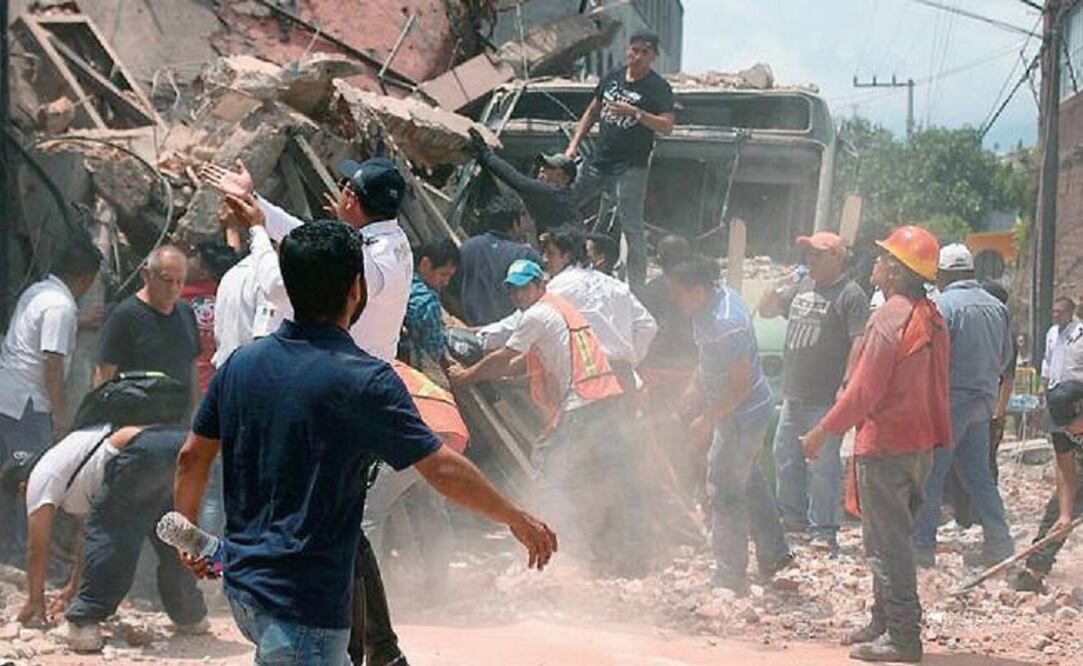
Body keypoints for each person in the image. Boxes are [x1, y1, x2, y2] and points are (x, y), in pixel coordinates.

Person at [173, 221, 556, 666]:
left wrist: (189, 536)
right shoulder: (365, 378)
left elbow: (191, 458)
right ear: (357, 287)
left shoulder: (240, 365)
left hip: (245, 590)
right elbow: (441, 469)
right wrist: (515, 516)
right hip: (304, 604)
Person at [801, 225, 950, 663]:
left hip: (887, 445)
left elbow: (864, 392)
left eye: (884, 259)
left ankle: (903, 636)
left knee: (887, 543)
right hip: (919, 444)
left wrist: (821, 432)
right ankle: (882, 620)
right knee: (890, 535)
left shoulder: (889, 317)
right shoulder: (930, 317)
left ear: (897, 272)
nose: (876, 263)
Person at [0, 373, 206, 651]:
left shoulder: (40, 478)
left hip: (142, 450)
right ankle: (192, 616)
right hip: (179, 441)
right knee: (172, 534)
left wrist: (34, 599)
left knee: (115, 533)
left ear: (22, 487)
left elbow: (38, 549)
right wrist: (72, 589)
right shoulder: (67, 463)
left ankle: (84, 623)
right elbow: (87, 539)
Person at [449, 259, 626, 572]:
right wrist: (492, 373)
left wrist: (467, 376)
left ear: (539, 284)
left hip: (582, 401)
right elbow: (527, 359)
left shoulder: (538, 314)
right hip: (604, 397)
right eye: (513, 290)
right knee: (597, 474)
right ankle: (609, 549)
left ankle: (563, 547)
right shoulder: (558, 307)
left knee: (550, 469)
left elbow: (506, 358)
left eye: (523, 288)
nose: (518, 295)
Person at [201, 156, 413, 364]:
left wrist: (257, 230)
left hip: (344, 376)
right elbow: (309, 239)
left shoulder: (369, 257)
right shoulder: (393, 239)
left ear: (351, 199)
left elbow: (277, 286)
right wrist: (252, 198)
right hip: (359, 368)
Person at [665, 259, 792, 594]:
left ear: (698, 290)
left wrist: (708, 419)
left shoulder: (726, 322)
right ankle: (775, 554)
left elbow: (741, 384)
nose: (675, 301)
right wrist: (695, 385)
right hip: (733, 409)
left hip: (742, 413)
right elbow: (709, 358)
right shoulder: (706, 307)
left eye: (679, 295)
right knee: (748, 479)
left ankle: (730, 574)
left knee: (724, 487)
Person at [758, 232, 869, 551]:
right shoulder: (801, 287)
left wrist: (847, 384)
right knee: (785, 457)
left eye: (817, 255)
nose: (810, 261)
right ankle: (793, 520)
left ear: (836, 257)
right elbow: (766, 310)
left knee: (823, 466)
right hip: (794, 394)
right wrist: (781, 281)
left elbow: (858, 340)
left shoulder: (850, 294)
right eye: (808, 255)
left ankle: (824, 530)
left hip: (825, 397)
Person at [0, 238, 102, 563]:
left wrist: (80, 322)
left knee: (12, 472)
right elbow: (52, 364)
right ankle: (21, 553)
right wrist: (60, 416)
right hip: (28, 402)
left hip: (10, 394)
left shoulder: (40, 291)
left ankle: (12, 548)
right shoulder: (60, 307)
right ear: (86, 277)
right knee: (32, 478)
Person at [911, 244, 1013, 567]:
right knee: (978, 476)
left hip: (948, 403)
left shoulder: (941, 306)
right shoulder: (997, 307)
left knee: (932, 475)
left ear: (942, 274)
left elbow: (930, 358)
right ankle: (1000, 543)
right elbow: (1006, 358)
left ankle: (922, 547)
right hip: (982, 404)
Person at [564, 29, 675, 290]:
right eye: (634, 50)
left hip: (631, 167)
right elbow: (592, 111)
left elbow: (667, 126)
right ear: (627, 50)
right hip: (599, 160)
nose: (637, 56)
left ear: (653, 57)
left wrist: (636, 113)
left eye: (644, 52)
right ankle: (567, 264)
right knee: (567, 205)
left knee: (631, 226)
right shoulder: (612, 78)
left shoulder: (658, 87)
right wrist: (573, 145)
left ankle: (637, 287)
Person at [358, 360, 469, 613]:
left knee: (370, 512)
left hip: (418, 435)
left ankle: (365, 596)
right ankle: (437, 589)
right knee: (433, 512)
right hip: (448, 436)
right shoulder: (405, 371)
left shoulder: (368, 371)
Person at [94, 245, 201, 407]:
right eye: (167, 280)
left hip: (179, 422)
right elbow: (104, 373)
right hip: (137, 419)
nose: (173, 288)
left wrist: (196, 411)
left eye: (180, 281)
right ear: (146, 275)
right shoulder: (125, 316)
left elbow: (192, 365)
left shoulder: (186, 312)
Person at [1012, 379, 1083, 592]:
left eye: (1068, 423)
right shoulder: (1061, 428)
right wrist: (1065, 515)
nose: (1065, 430)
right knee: (1058, 514)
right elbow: (1066, 471)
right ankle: (1034, 573)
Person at [448, 194, 541, 326]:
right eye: (523, 217)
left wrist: (467, 323)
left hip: (470, 331)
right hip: (510, 334)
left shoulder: (467, 248)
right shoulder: (525, 255)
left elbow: (449, 293)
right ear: (515, 223)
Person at [468, 128, 579, 233]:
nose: (542, 169)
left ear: (564, 178)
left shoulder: (557, 193)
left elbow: (518, 182)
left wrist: (485, 154)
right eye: (542, 166)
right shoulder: (551, 196)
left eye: (549, 167)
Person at [180, 241, 238, 395]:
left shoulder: (179, 294)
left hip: (186, 384)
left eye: (192, 258)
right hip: (218, 381)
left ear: (203, 273)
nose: (185, 260)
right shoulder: (226, 292)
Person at [401, 239, 460, 371]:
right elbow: (433, 353)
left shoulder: (400, 279)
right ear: (425, 264)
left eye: (449, 277)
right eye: (443, 274)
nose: (446, 282)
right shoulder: (428, 303)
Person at [1041, 296, 1081, 392]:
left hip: (1075, 388)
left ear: (1070, 313)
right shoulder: (1052, 332)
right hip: (1054, 388)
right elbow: (1048, 360)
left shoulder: (1079, 332)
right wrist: (1042, 386)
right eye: (1053, 311)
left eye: (1059, 312)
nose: (1055, 315)